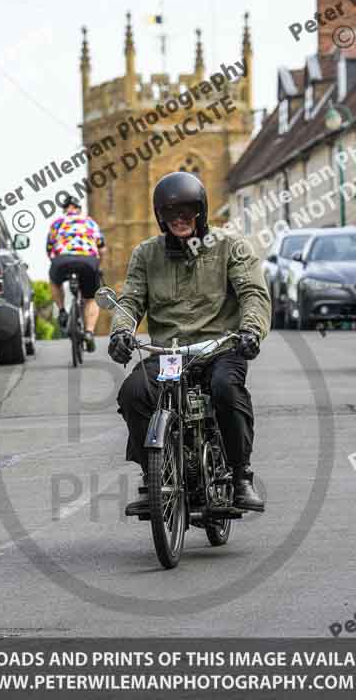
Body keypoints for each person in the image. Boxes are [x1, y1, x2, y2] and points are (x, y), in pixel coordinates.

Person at [106, 172, 271, 515]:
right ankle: (152, 477)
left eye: (187, 210)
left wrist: (252, 331)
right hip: (169, 353)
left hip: (221, 349)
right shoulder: (146, 254)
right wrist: (121, 332)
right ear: (160, 216)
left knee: (227, 389)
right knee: (133, 392)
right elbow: (131, 300)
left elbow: (253, 293)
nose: (180, 218)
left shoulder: (231, 246)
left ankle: (240, 476)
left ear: (201, 211)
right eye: (171, 212)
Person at [46, 193, 105, 351]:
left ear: (65, 210)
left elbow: (49, 248)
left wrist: (56, 265)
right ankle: (89, 332)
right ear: (79, 209)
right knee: (91, 298)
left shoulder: (57, 223)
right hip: (88, 261)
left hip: (62, 260)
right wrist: (99, 266)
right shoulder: (90, 222)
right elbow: (102, 247)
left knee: (54, 281)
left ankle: (62, 311)